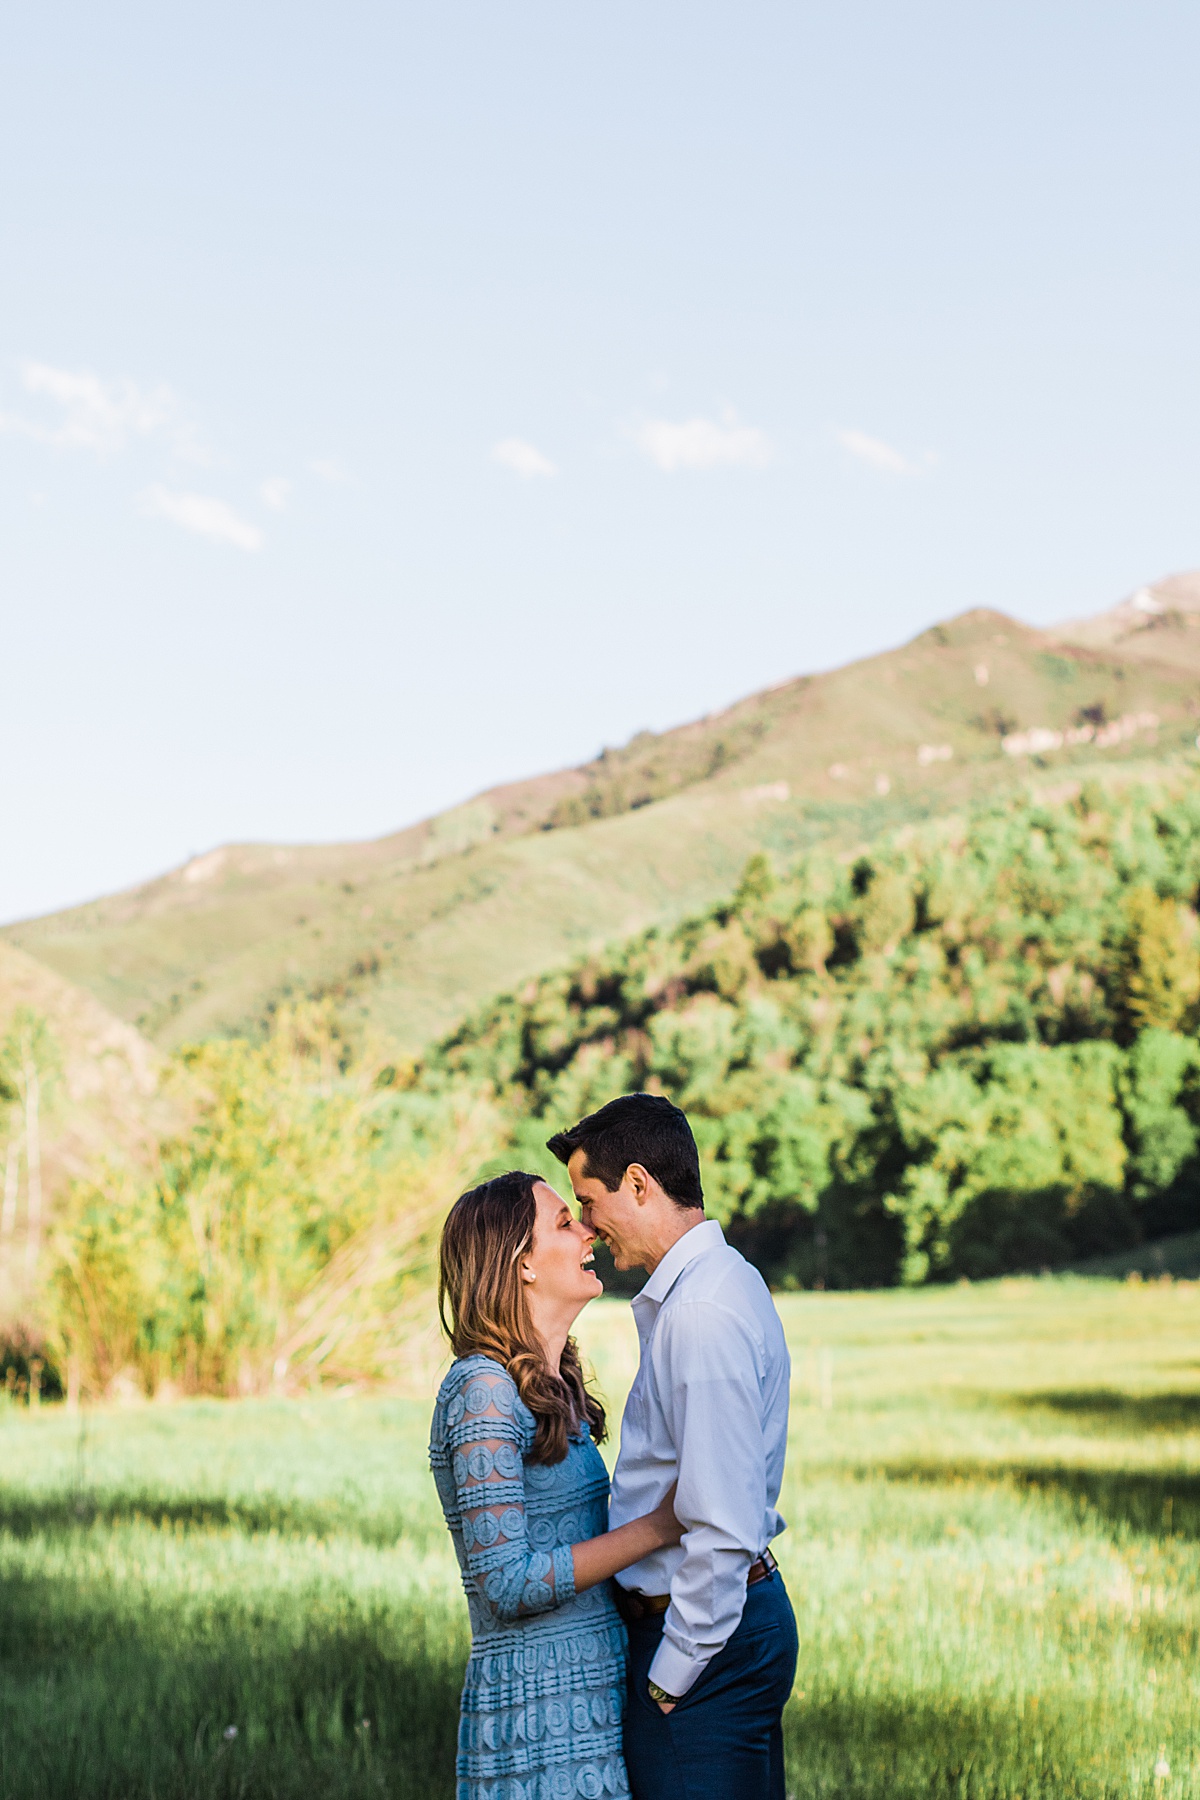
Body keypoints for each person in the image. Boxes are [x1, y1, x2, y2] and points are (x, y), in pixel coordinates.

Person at [547, 1093, 797, 1800]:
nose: (588, 1227)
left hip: (703, 1639)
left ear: (637, 1184)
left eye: (588, 1202)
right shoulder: (716, 1285)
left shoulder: (699, 1312)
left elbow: (720, 1516)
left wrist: (671, 1675)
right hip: (720, 1627)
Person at [430, 1168, 683, 1800]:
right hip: (535, 1713)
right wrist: (659, 1526)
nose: (589, 1230)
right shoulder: (482, 1389)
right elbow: (507, 1581)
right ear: (521, 1264)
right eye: (566, 1224)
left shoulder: (555, 1384)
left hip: (593, 1698)